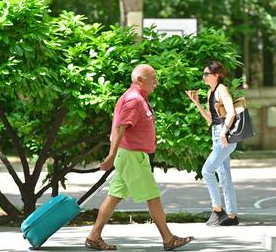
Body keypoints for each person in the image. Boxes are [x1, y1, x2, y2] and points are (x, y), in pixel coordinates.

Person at [85, 64, 194, 250]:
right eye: (153, 79)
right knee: (153, 196)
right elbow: (120, 127)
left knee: (114, 196)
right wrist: (111, 155)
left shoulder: (139, 98)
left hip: (131, 155)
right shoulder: (134, 100)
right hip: (132, 156)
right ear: (140, 80)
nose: (157, 83)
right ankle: (168, 240)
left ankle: (94, 237)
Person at [186, 61, 239, 226]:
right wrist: (196, 103)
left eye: (206, 74)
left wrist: (224, 133)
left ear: (217, 75)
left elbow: (231, 113)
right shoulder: (211, 93)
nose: (203, 77)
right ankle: (232, 215)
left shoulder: (222, 90)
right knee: (224, 177)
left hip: (224, 136)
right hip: (217, 134)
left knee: (207, 171)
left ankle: (217, 209)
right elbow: (211, 119)